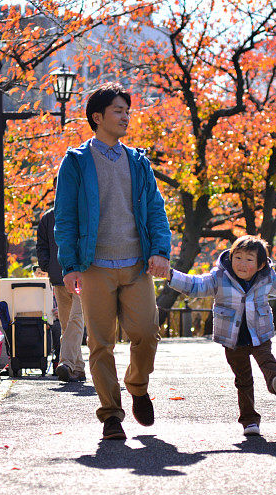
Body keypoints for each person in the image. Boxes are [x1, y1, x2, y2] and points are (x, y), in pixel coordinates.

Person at [54, 83, 172, 440]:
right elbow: (66, 217)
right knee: (101, 343)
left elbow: (155, 208)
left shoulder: (137, 161)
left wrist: (160, 251)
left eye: (127, 111)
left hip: (137, 264)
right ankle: (110, 415)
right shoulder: (75, 162)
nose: (124, 117)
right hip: (94, 266)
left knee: (146, 333)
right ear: (97, 117)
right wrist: (70, 264)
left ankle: (137, 386)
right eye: (118, 111)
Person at [166, 235, 276, 436]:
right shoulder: (220, 277)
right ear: (231, 257)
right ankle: (249, 421)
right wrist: (170, 275)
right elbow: (196, 285)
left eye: (249, 260)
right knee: (243, 379)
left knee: (267, 361)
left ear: (260, 264)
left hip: (260, 333)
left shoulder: (266, 277)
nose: (242, 264)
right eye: (237, 257)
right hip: (233, 339)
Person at [36, 207, 86, 382]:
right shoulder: (48, 217)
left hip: (81, 275)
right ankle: (78, 368)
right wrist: (47, 266)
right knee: (67, 324)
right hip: (58, 277)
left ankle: (66, 363)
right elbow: (42, 244)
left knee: (75, 319)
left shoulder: (82, 211)